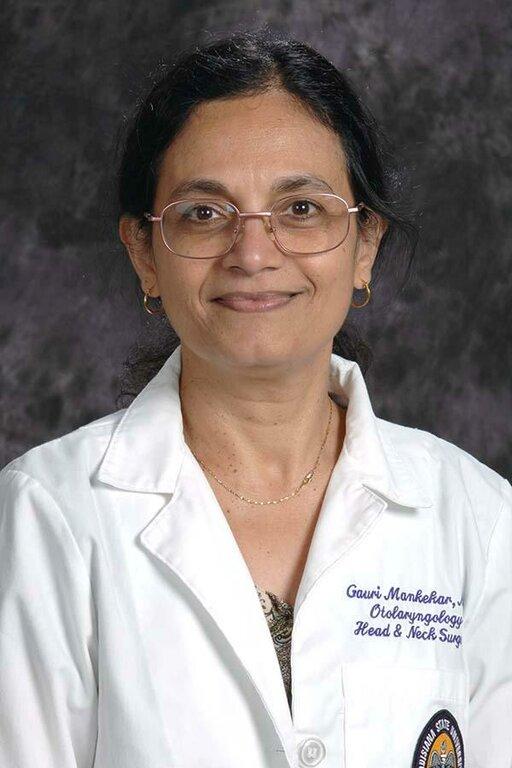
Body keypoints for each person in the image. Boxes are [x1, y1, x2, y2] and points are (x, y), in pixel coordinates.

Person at [0, 28, 510, 768]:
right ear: (144, 254)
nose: (253, 253)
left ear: (365, 245)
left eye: (300, 208)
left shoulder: (478, 518)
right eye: (204, 213)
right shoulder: (47, 516)